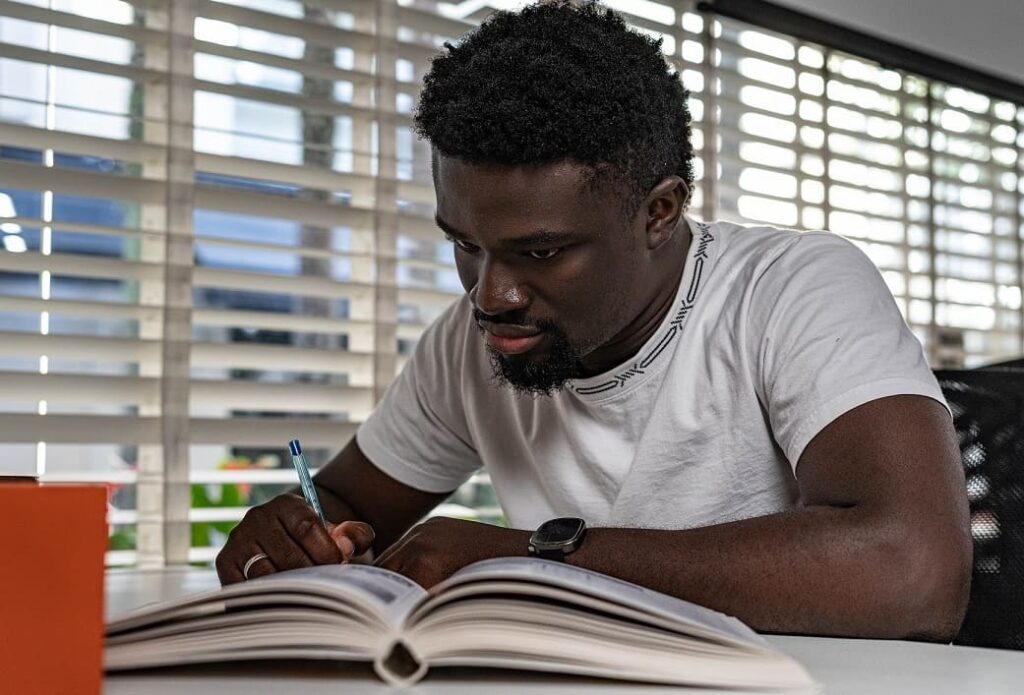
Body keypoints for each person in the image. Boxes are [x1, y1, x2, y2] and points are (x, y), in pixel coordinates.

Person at [216, 0, 970, 641]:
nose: (492, 293)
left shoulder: (791, 290)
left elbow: (915, 570)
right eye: (465, 244)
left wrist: (533, 562)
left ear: (659, 211)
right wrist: (290, 535)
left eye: (541, 251)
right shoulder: (471, 339)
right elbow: (347, 505)